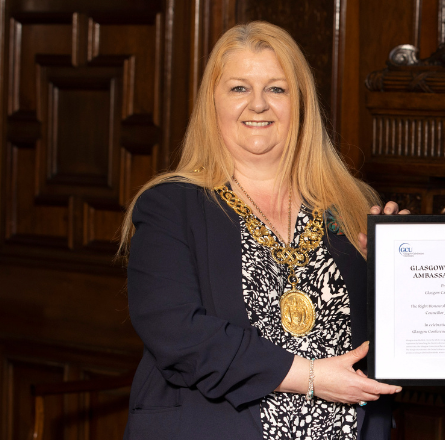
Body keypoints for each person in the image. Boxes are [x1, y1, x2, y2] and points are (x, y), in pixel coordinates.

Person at [118, 21, 406, 440]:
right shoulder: (169, 206)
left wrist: (405, 272)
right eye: (238, 88)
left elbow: (391, 343)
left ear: (300, 103)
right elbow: (177, 333)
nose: (258, 104)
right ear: (211, 103)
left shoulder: (353, 205)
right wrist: (308, 376)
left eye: (277, 88)